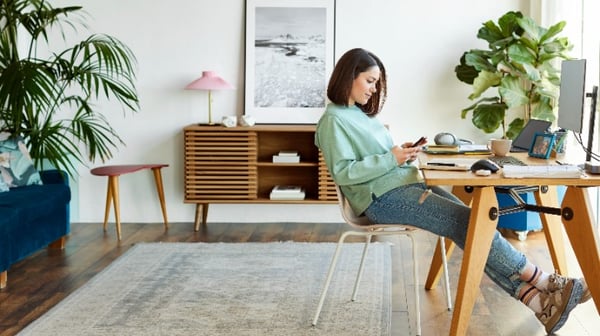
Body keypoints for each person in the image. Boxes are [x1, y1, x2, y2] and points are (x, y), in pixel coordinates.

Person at [315, 48, 591, 334]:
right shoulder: (333, 121)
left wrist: (402, 154)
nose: (374, 89)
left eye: (376, 83)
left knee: (474, 227)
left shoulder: (358, 115)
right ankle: (548, 282)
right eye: (370, 81)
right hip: (380, 199)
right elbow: (345, 173)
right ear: (350, 77)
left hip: (401, 185)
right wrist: (391, 158)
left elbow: (376, 157)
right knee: (472, 225)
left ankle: (538, 303)